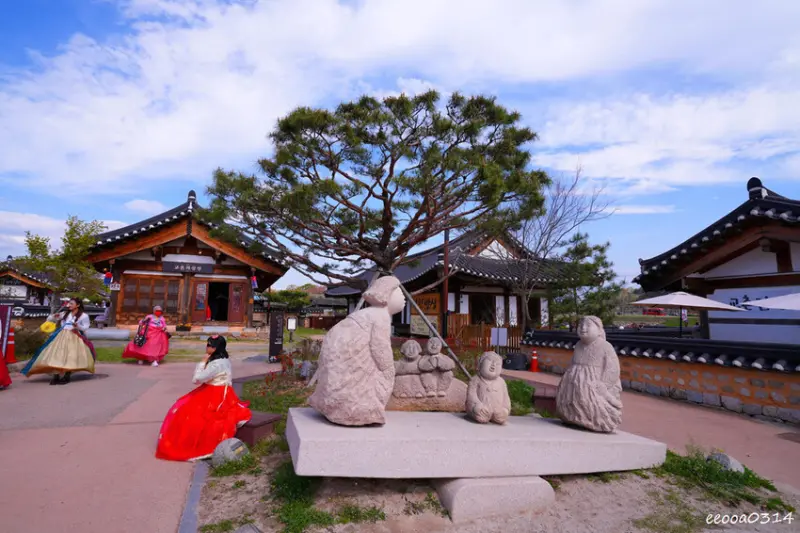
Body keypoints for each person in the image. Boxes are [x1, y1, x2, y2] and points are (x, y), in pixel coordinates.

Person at [155, 335, 251, 462]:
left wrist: (202, 362)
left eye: (210, 345)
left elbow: (196, 379)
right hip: (223, 391)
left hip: (215, 394)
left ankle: (188, 445)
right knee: (186, 407)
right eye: (207, 344)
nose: (207, 347)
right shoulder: (224, 360)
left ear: (216, 348)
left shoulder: (216, 364)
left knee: (186, 411)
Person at [22, 298, 96, 385]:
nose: (69, 305)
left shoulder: (84, 316)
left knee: (70, 356)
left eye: (72, 303)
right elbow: (50, 319)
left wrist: (77, 326)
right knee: (57, 355)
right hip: (61, 335)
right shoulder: (64, 314)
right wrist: (54, 316)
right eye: (69, 303)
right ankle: (55, 376)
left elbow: (85, 327)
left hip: (74, 336)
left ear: (78, 305)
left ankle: (67, 376)